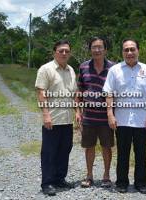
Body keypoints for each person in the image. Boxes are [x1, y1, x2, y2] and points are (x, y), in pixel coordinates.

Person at [103, 39, 146, 194]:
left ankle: (141, 183)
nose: (129, 53)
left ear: (138, 51)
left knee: (141, 153)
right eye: (126, 50)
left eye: (132, 49)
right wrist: (110, 114)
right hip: (121, 119)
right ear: (122, 52)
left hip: (142, 120)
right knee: (122, 152)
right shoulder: (115, 70)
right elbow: (108, 93)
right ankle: (121, 182)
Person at [35, 40, 77, 196]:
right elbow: (41, 92)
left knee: (65, 150)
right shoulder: (46, 69)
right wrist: (45, 114)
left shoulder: (71, 70)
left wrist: (77, 112)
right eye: (61, 51)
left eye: (67, 51)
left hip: (67, 119)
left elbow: (74, 94)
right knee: (49, 152)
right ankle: (47, 183)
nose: (64, 53)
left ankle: (60, 179)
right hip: (52, 119)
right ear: (54, 52)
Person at [75, 37, 115, 188]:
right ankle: (89, 175)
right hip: (89, 116)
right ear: (90, 49)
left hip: (106, 116)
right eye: (94, 47)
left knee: (107, 146)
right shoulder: (83, 66)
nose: (97, 50)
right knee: (89, 146)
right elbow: (80, 90)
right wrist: (78, 111)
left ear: (105, 49)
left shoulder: (113, 67)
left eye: (100, 47)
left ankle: (106, 176)